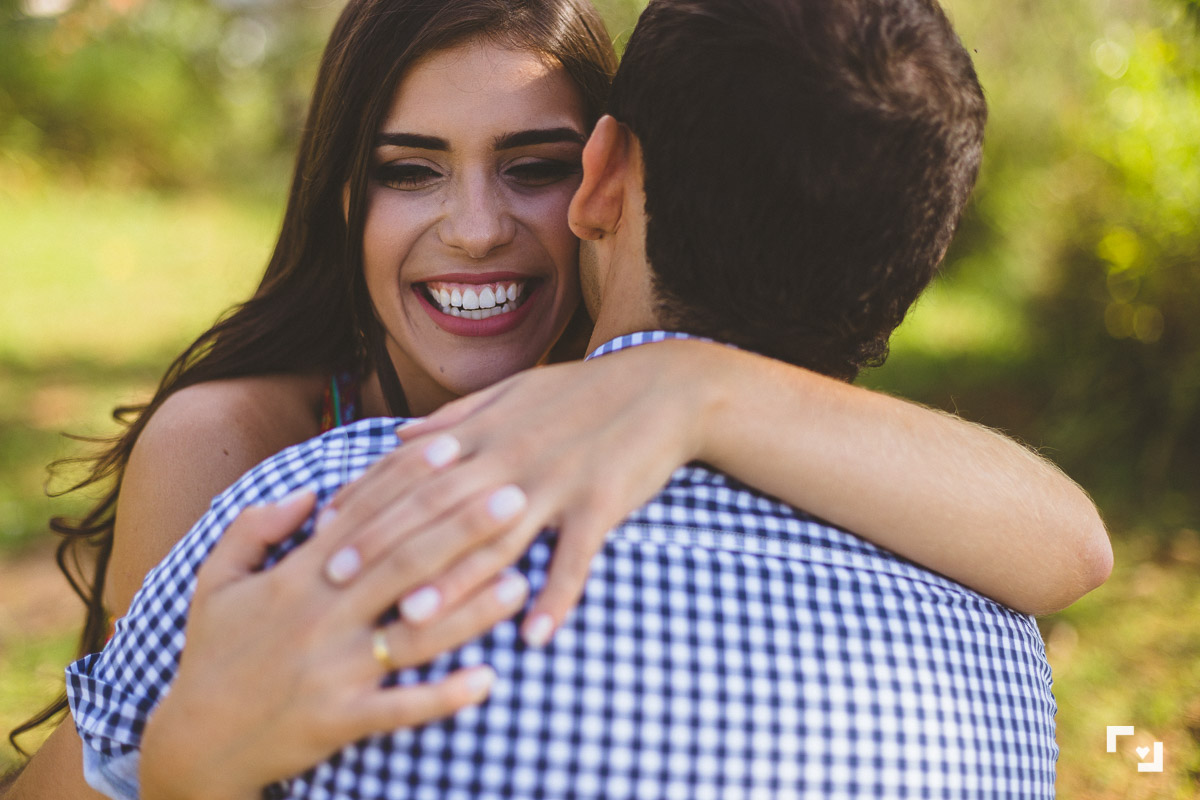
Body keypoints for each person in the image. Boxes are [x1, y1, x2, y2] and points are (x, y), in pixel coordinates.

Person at [3, 0, 1109, 794]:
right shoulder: (252, 459)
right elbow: (115, 761)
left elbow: (1070, 538)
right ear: (345, 194)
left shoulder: (710, 413)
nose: (477, 226)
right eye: (410, 168)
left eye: (534, 164)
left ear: (600, 181)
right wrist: (190, 760)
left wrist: (692, 384)